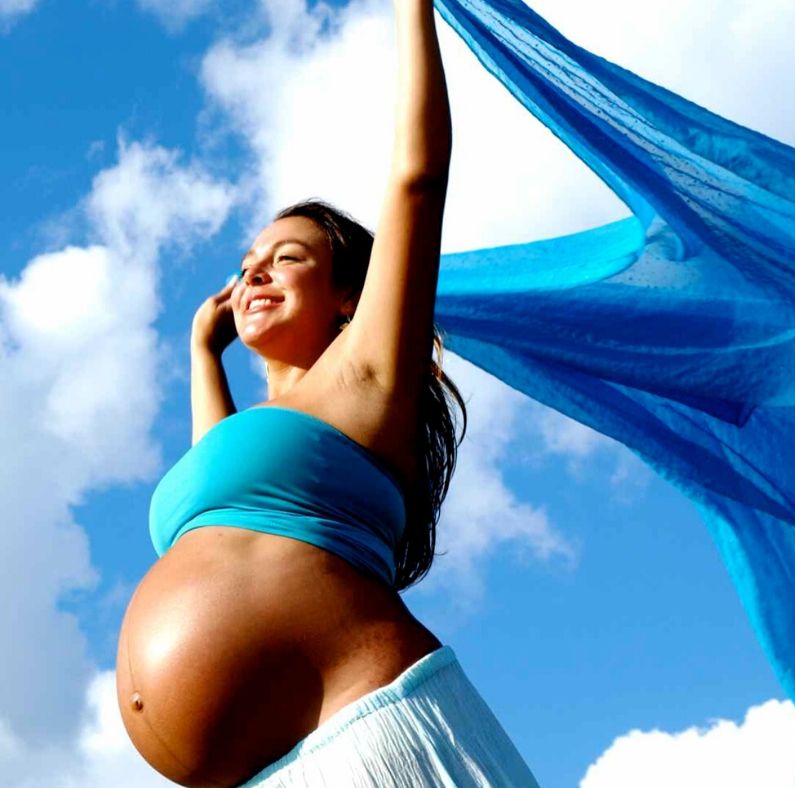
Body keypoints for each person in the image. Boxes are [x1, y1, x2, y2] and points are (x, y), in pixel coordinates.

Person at [115, 1, 540, 786]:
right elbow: (219, 467)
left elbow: (418, 178)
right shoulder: (259, 441)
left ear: (353, 295)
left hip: (375, 739)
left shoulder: (369, 378)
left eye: (287, 259)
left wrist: (414, 8)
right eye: (247, 264)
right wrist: (201, 351)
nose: (256, 273)